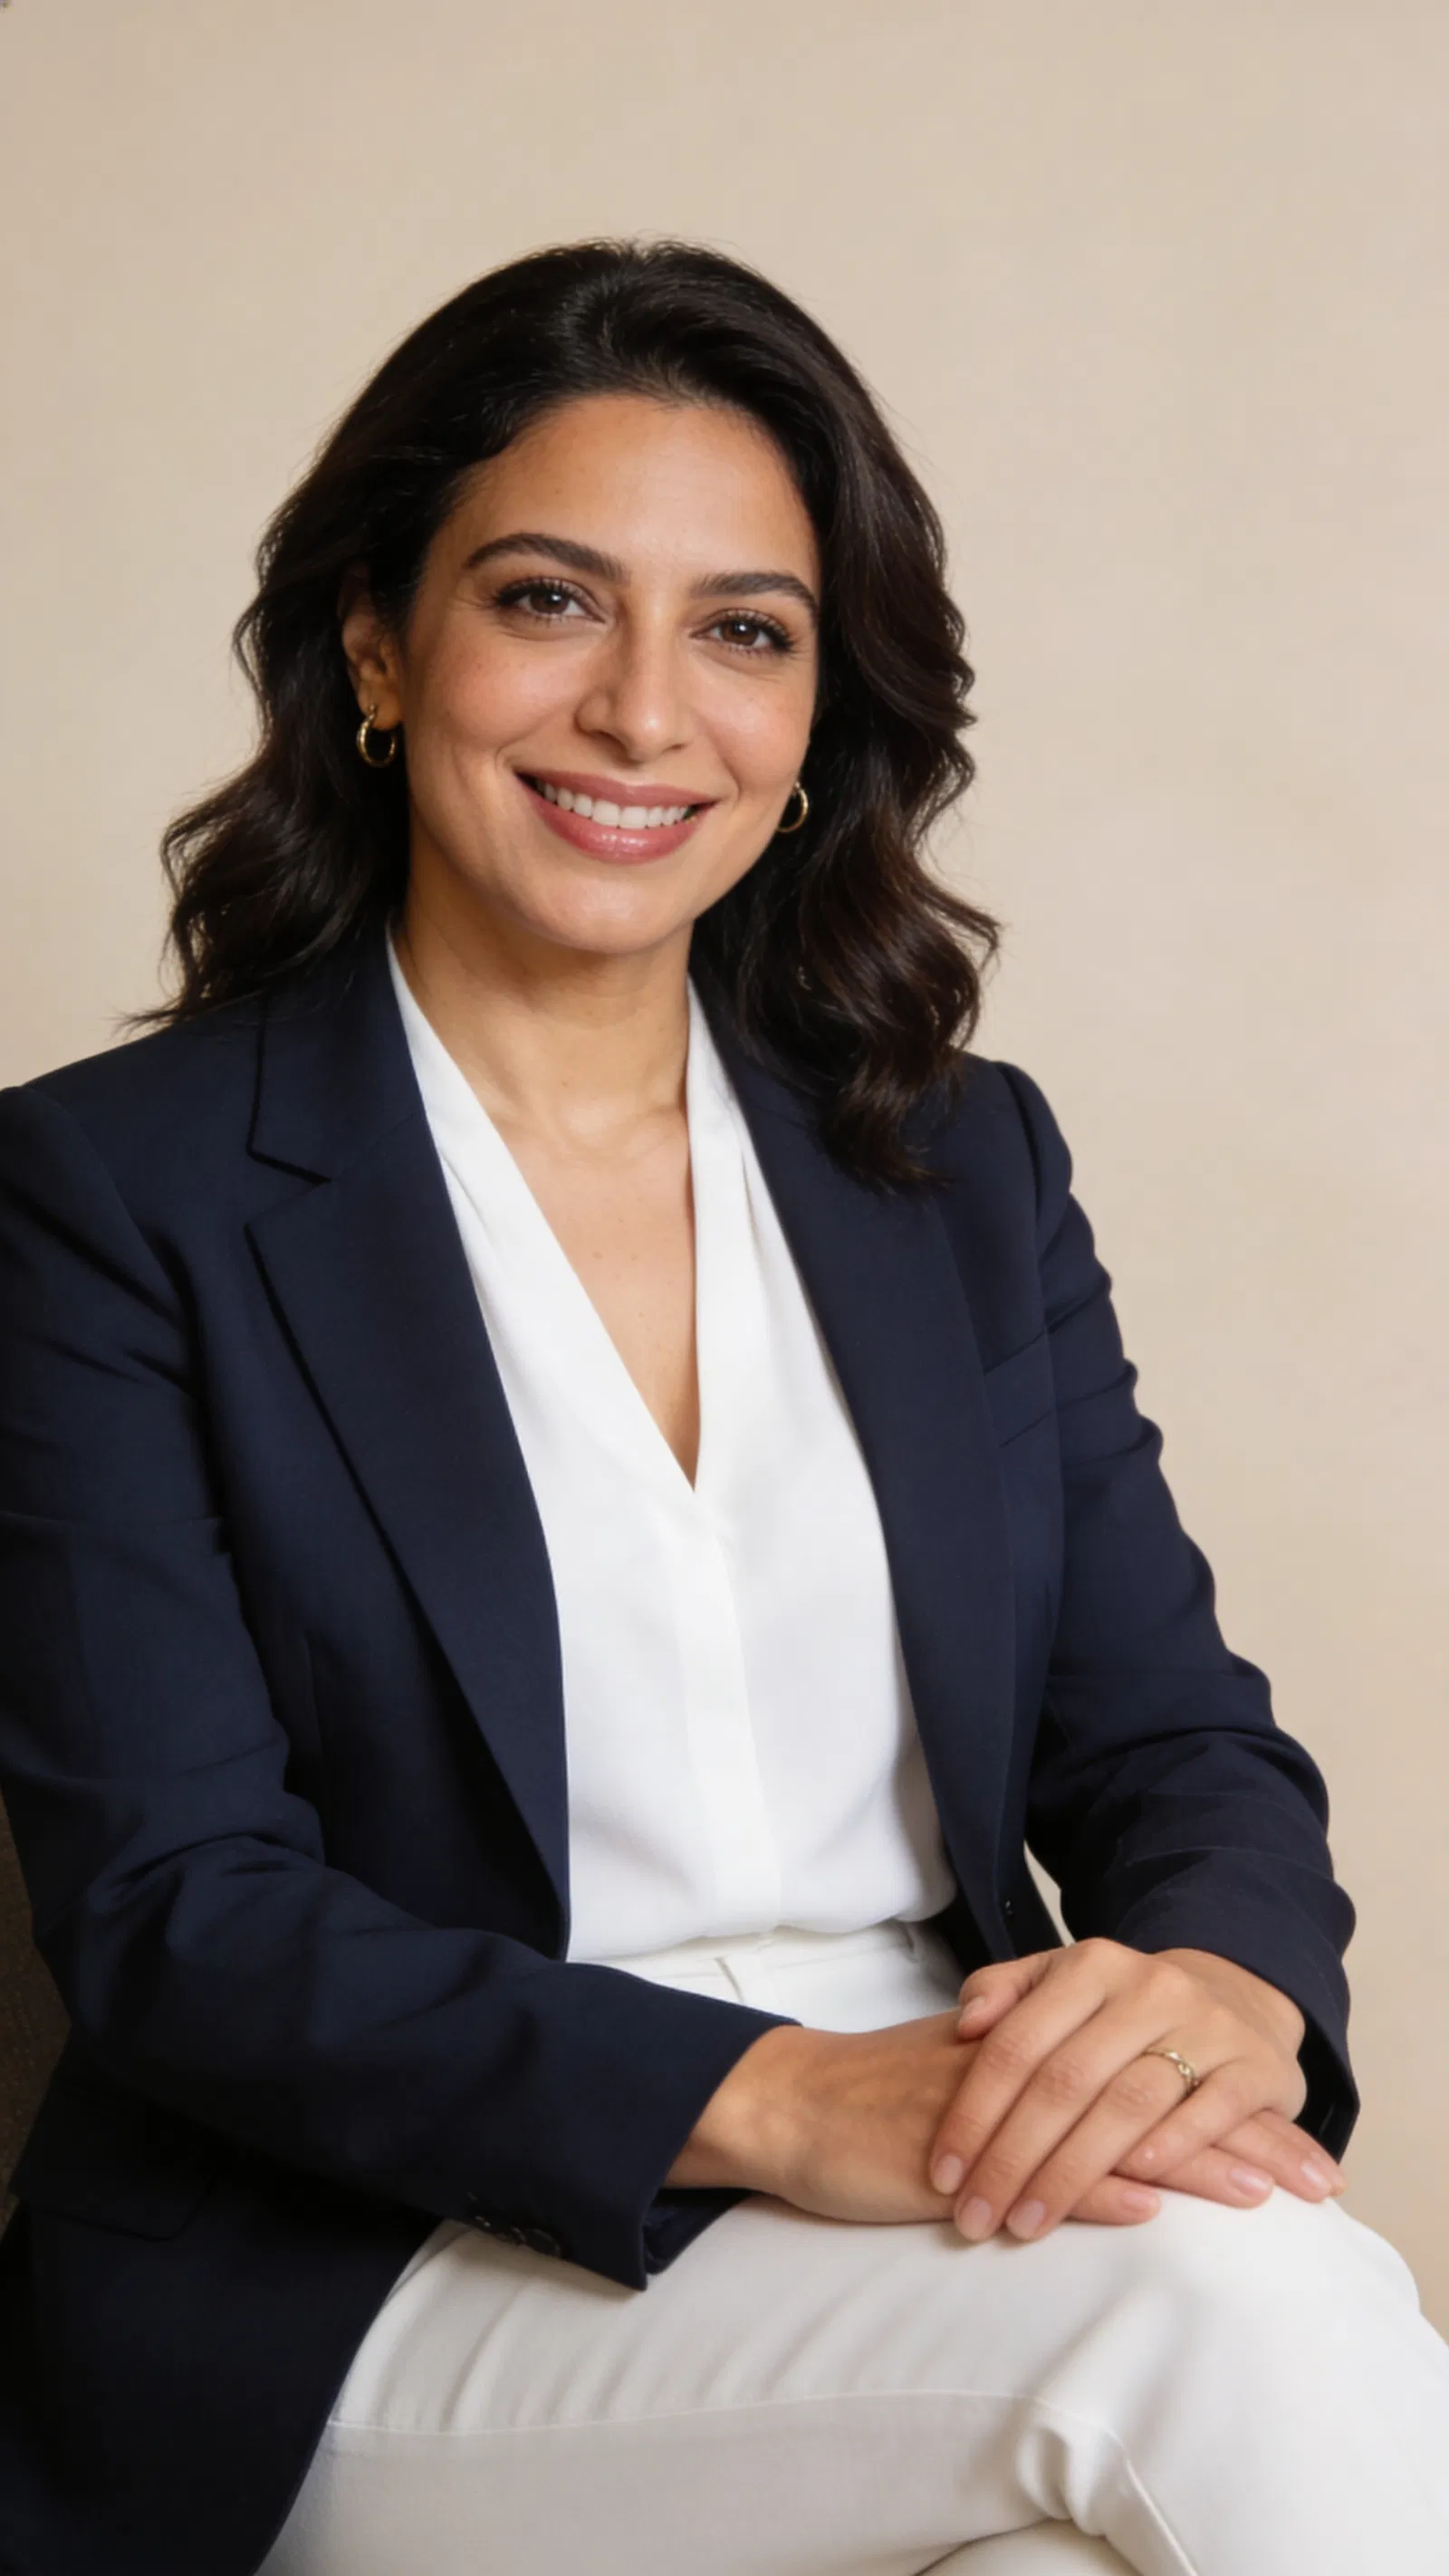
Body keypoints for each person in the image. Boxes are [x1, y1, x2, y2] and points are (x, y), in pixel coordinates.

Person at [0, 239, 1444, 2576]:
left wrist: (1217, 1993)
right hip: (386, 2275)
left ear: (820, 706)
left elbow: (1177, 1739)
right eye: (552, 600)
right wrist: (776, 2101)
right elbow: (181, 1915)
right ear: (379, 642)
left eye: (746, 629)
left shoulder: (958, 1166)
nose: (645, 712)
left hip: (945, 2186)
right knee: (1242, 2318)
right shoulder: (109, 1194)